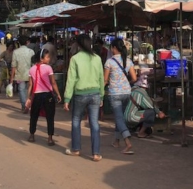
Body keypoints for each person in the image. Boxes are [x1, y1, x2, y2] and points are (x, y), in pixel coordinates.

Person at [63, 33, 105, 161]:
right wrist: (102, 95)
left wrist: (67, 99)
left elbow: (71, 80)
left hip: (80, 94)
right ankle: (96, 153)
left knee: (76, 121)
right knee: (94, 123)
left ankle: (76, 149)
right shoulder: (97, 58)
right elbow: (101, 78)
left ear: (78, 44)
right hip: (95, 93)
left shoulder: (75, 59)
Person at [104, 39, 137, 155]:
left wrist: (100, 90)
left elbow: (105, 80)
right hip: (126, 92)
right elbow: (134, 78)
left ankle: (127, 141)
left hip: (114, 93)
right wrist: (125, 82)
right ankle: (116, 141)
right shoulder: (128, 61)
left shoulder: (109, 62)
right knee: (120, 117)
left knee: (118, 118)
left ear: (113, 48)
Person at [25, 48, 62, 145]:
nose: (49, 59)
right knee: (50, 117)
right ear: (42, 58)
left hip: (36, 95)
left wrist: (28, 97)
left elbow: (30, 85)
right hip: (48, 95)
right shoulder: (48, 68)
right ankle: (50, 138)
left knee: (34, 116)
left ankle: (32, 135)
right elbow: (53, 82)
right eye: (47, 57)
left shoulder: (32, 69)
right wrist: (58, 94)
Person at [11, 35, 35, 112]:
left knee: (21, 89)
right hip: (30, 74)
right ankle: (28, 104)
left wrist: (11, 78)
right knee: (29, 89)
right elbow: (34, 64)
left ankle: (24, 105)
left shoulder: (15, 52)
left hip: (19, 75)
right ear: (27, 42)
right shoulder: (31, 52)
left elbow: (13, 66)